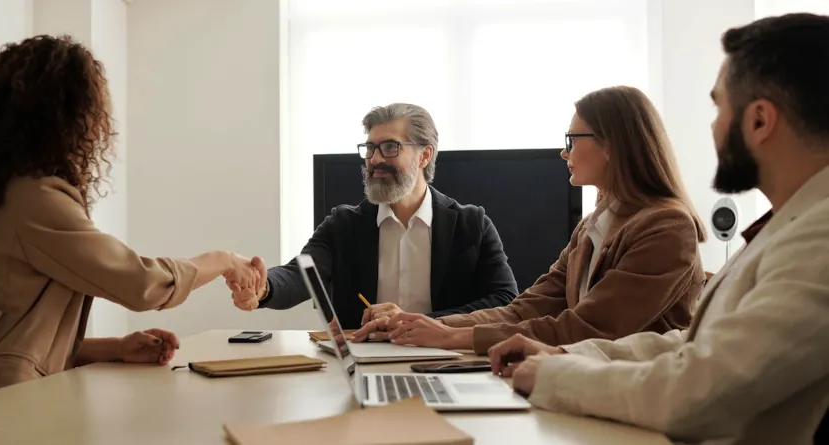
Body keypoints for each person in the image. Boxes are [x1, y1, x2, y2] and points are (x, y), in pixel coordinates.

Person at [488, 13, 829, 445]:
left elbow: (700, 393)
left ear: (760, 121)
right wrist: (566, 354)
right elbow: (692, 345)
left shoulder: (818, 241)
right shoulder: (791, 225)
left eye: (718, 106)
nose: (712, 126)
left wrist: (557, 374)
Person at [0, 35, 262, 403]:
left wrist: (113, 348)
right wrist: (223, 260)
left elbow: (9, 337)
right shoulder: (32, 199)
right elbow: (141, 283)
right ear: (66, 115)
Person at [354, 86, 707, 354]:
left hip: (634, 400)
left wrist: (455, 336)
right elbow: (525, 308)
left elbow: (589, 327)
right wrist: (427, 325)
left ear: (611, 145)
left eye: (572, 139)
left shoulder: (667, 228)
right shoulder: (591, 227)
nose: (564, 151)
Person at [231, 103, 518, 329]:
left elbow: (504, 301)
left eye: (390, 147)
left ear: (424, 155)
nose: (375, 159)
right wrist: (263, 286)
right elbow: (299, 276)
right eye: (370, 148)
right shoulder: (343, 225)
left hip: (447, 359)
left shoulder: (472, 225)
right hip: (366, 359)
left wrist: (418, 322)